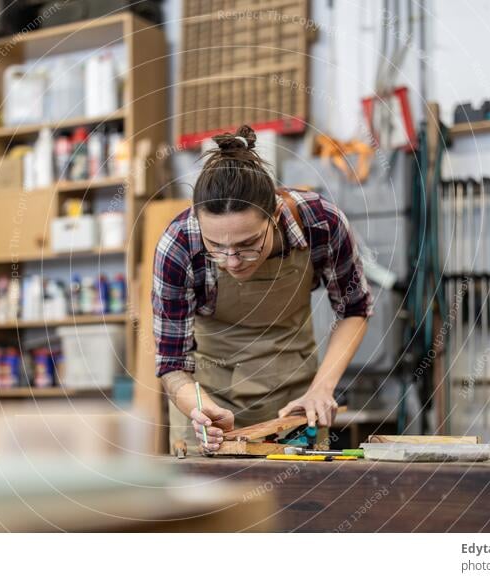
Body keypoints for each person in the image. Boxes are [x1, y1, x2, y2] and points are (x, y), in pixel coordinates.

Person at [152, 125, 372, 453]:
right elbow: (172, 364)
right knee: (208, 504)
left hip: (295, 402)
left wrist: (321, 389)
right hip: (209, 401)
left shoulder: (320, 223)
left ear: (276, 214)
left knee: (303, 502)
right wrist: (200, 408)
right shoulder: (178, 247)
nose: (233, 261)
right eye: (216, 247)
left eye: (249, 244)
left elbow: (354, 308)